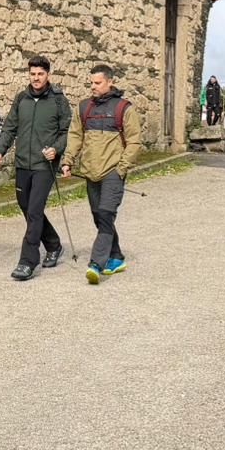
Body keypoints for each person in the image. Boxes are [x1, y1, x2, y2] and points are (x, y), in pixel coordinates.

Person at [0, 56, 72, 281]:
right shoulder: (21, 99)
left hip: (44, 165)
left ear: (48, 75)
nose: (36, 78)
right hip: (23, 163)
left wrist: (56, 149)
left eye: (40, 74)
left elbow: (67, 132)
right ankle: (54, 245)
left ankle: (28, 261)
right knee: (27, 208)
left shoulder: (58, 101)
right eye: (33, 74)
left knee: (34, 210)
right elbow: (9, 128)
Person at [61, 64, 141, 285]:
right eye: (91, 83)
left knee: (106, 214)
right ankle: (116, 256)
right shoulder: (84, 108)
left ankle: (96, 263)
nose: (93, 87)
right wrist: (67, 160)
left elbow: (134, 142)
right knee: (99, 217)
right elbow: (75, 136)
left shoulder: (124, 108)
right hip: (90, 172)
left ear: (110, 82)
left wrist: (121, 168)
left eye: (97, 83)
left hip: (113, 173)